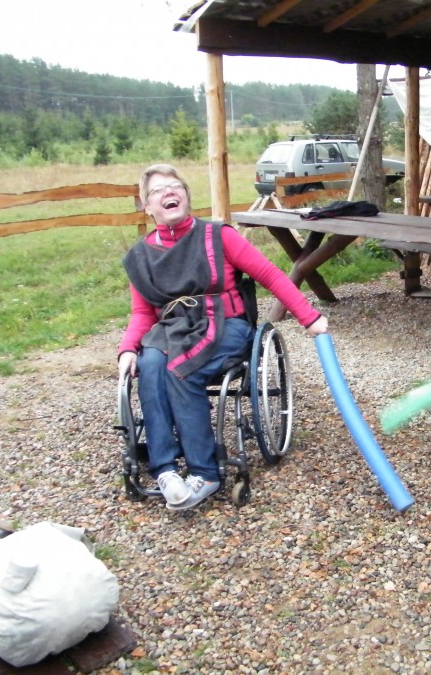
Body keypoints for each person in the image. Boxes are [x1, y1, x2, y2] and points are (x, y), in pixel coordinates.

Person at [118, 164, 329, 511]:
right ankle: (166, 469)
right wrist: (128, 348)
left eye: (176, 186)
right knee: (152, 363)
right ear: (147, 206)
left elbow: (270, 275)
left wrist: (309, 318)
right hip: (173, 329)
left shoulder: (218, 236)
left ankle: (204, 472)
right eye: (158, 191)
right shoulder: (140, 257)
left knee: (179, 368)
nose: (169, 193)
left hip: (226, 324)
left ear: (186, 196)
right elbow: (142, 313)